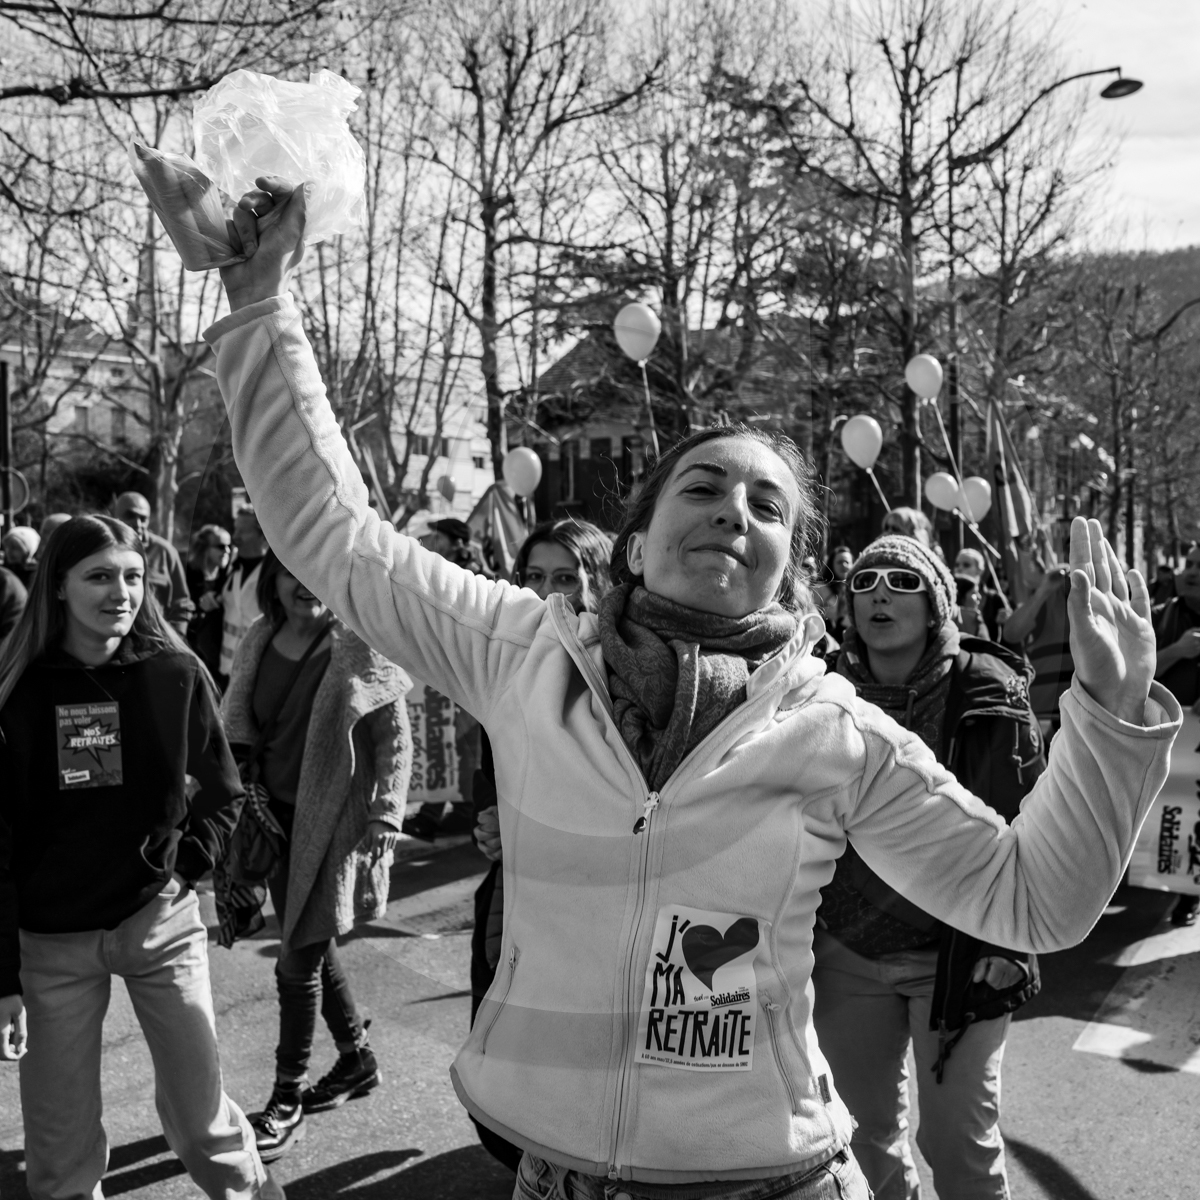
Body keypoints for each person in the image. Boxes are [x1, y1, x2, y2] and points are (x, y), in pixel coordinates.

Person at [203, 177, 1177, 1198]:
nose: (732, 512)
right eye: (703, 487)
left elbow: (1033, 898)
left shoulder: (833, 732)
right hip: (558, 1175)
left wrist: (1110, 719)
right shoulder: (519, 652)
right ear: (636, 538)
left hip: (776, 1179)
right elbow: (330, 532)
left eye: (767, 505)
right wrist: (262, 302)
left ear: (791, 573)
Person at [0, 516, 282, 1200]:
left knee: (204, 1127)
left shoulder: (174, 672)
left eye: (132, 576)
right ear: (58, 588)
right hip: (51, 944)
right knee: (61, 1156)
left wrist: (183, 871)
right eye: (98, 576)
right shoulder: (19, 691)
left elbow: (223, 793)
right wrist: (4, 978)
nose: (121, 592)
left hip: (160, 926)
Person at [812, 536, 1043, 1200]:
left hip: (964, 952)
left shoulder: (988, 691)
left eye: (903, 580)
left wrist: (1007, 941)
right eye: (865, 581)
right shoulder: (816, 688)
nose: (880, 591)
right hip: (844, 950)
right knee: (860, 1138)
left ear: (939, 603)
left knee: (956, 1145)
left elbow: (1028, 830)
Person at [219, 549, 412, 1161]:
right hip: (270, 819)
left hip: (332, 823)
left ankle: (287, 1095)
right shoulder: (260, 635)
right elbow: (238, 721)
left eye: (316, 571)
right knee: (312, 937)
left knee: (294, 960)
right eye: (291, 573)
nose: (305, 585)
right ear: (272, 579)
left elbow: (394, 737)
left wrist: (386, 810)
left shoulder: (358, 643)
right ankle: (356, 1058)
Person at [471, 517, 615, 1173]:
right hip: (513, 893)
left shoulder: (624, 671)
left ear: (600, 585)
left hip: (595, 906)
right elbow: (489, 773)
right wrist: (489, 820)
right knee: (506, 1075)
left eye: (565, 578)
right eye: (533, 577)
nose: (546, 592)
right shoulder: (505, 665)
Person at [1151, 543, 1200, 927]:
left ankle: (1189, 895)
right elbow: (1139, 670)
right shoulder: (1160, 615)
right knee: (1175, 815)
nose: (1192, 572)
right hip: (1168, 738)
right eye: (1190, 564)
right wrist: (1177, 651)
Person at [1001, 560, 1074, 739]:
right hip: (1046, 717)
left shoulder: (1102, 597)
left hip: (1088, 714)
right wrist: (1044, 590)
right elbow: (1011, 633)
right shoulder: (1048, 598)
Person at [113, 491, 194, 635]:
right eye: (130, 515)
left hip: (155, 642)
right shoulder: (105, 551)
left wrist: (176, 637)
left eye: (143, 518)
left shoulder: (165, 552)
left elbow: (182, 603)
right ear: (116, 516)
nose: (137, 523)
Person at [220, 506, 268, 686]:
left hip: (258, 674)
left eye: (242, 531)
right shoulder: (229, 567)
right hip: (225, 671)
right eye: (235, 529)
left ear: (262, 534)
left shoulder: (273, 574)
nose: (235, 536)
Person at [187, 524, 234, 678]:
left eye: (229, 546)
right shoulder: (189, 575)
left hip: (220, 653)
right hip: (193, 650)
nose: (227, 551)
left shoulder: (229, 577)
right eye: (221, 546)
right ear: (204, 548)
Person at [954, 547, 1010, 637]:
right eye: (957, 565)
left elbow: (1009, 637)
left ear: (979, 570)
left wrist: (1000, 624)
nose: (959, 568)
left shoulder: (995, 599)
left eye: (966, 565)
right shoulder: (949, 597)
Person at [814, 545, 853, 642]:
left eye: (847, 562)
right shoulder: (820, 589)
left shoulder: (857, 589)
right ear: (831, 564)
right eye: (840, 562)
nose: (844, 565)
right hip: (824, 641)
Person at [2, 525, 39, 590]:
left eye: (14, 547)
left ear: (28, 551)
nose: (9, 551)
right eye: (7, 546)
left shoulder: (36, 575)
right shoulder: (3, 573)